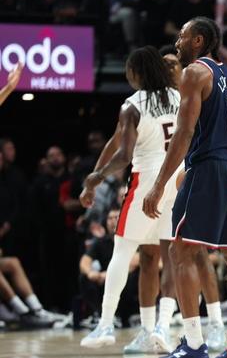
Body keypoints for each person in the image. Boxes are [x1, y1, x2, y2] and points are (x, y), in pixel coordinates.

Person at [142, 16, 227, 358]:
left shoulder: (194, 72)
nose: (177, 43)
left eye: (182, 36)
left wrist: (158, 185)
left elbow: (184, 133)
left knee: (181, 252)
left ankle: (193, 344)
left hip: (210, 167)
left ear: (199, 40)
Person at [79, 46, 181, 354]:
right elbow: (116, 140)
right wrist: (97, 171)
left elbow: (124, 155)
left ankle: (105, 324)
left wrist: (96, 177)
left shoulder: (132, 105)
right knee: (163, 255)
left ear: (137, 72)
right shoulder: (178, 97)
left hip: (146, 180)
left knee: (122, 250)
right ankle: (159, 328)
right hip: (176, 178)